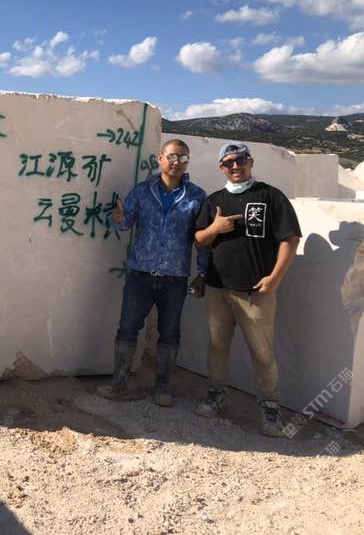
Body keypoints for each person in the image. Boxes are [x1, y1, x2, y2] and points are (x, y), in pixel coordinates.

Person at [193, 142, 301, 437]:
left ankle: (270, 408)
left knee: (262, 352)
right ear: (221, 168)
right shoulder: (214, 200)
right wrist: (215, 228)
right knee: (217, 347)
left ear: (250, 162)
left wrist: (275, 278)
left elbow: (290, 239)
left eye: (241, 160)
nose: (235, 166)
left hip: (256, 291)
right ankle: (216, 394)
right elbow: (199, 240)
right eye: (228, 162)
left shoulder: (271, 196)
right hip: (217, 288)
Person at [98, 138, 207, 406]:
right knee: (127, 328)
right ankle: (119, 383)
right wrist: (117, 217)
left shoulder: (196, 196)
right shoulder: (142, 191)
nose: (177, 163)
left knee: (170, 333)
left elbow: (202, 238)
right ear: (160, 158)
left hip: (175, 277)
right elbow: (124, 224)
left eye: (183, 158)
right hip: (141, 274)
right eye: (172, 156)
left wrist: (203, 272)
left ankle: (161, 387)